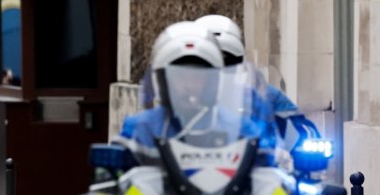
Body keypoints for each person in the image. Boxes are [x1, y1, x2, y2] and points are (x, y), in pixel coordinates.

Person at [121, 21, 270, 148]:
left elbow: (266, 160)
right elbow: (114, 165)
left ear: (212, 81)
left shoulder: (240, 129)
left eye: (197, 77)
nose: (189, 85)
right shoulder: (139, 128)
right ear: (164, 80)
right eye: (180, 76)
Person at [194, 14, 321, 152]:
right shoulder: (180, 103)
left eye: (227, 62)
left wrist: (299, 139)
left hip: (253, 162)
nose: (218, 71)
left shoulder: (263, 95)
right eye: (207, 65)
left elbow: (305, 132)